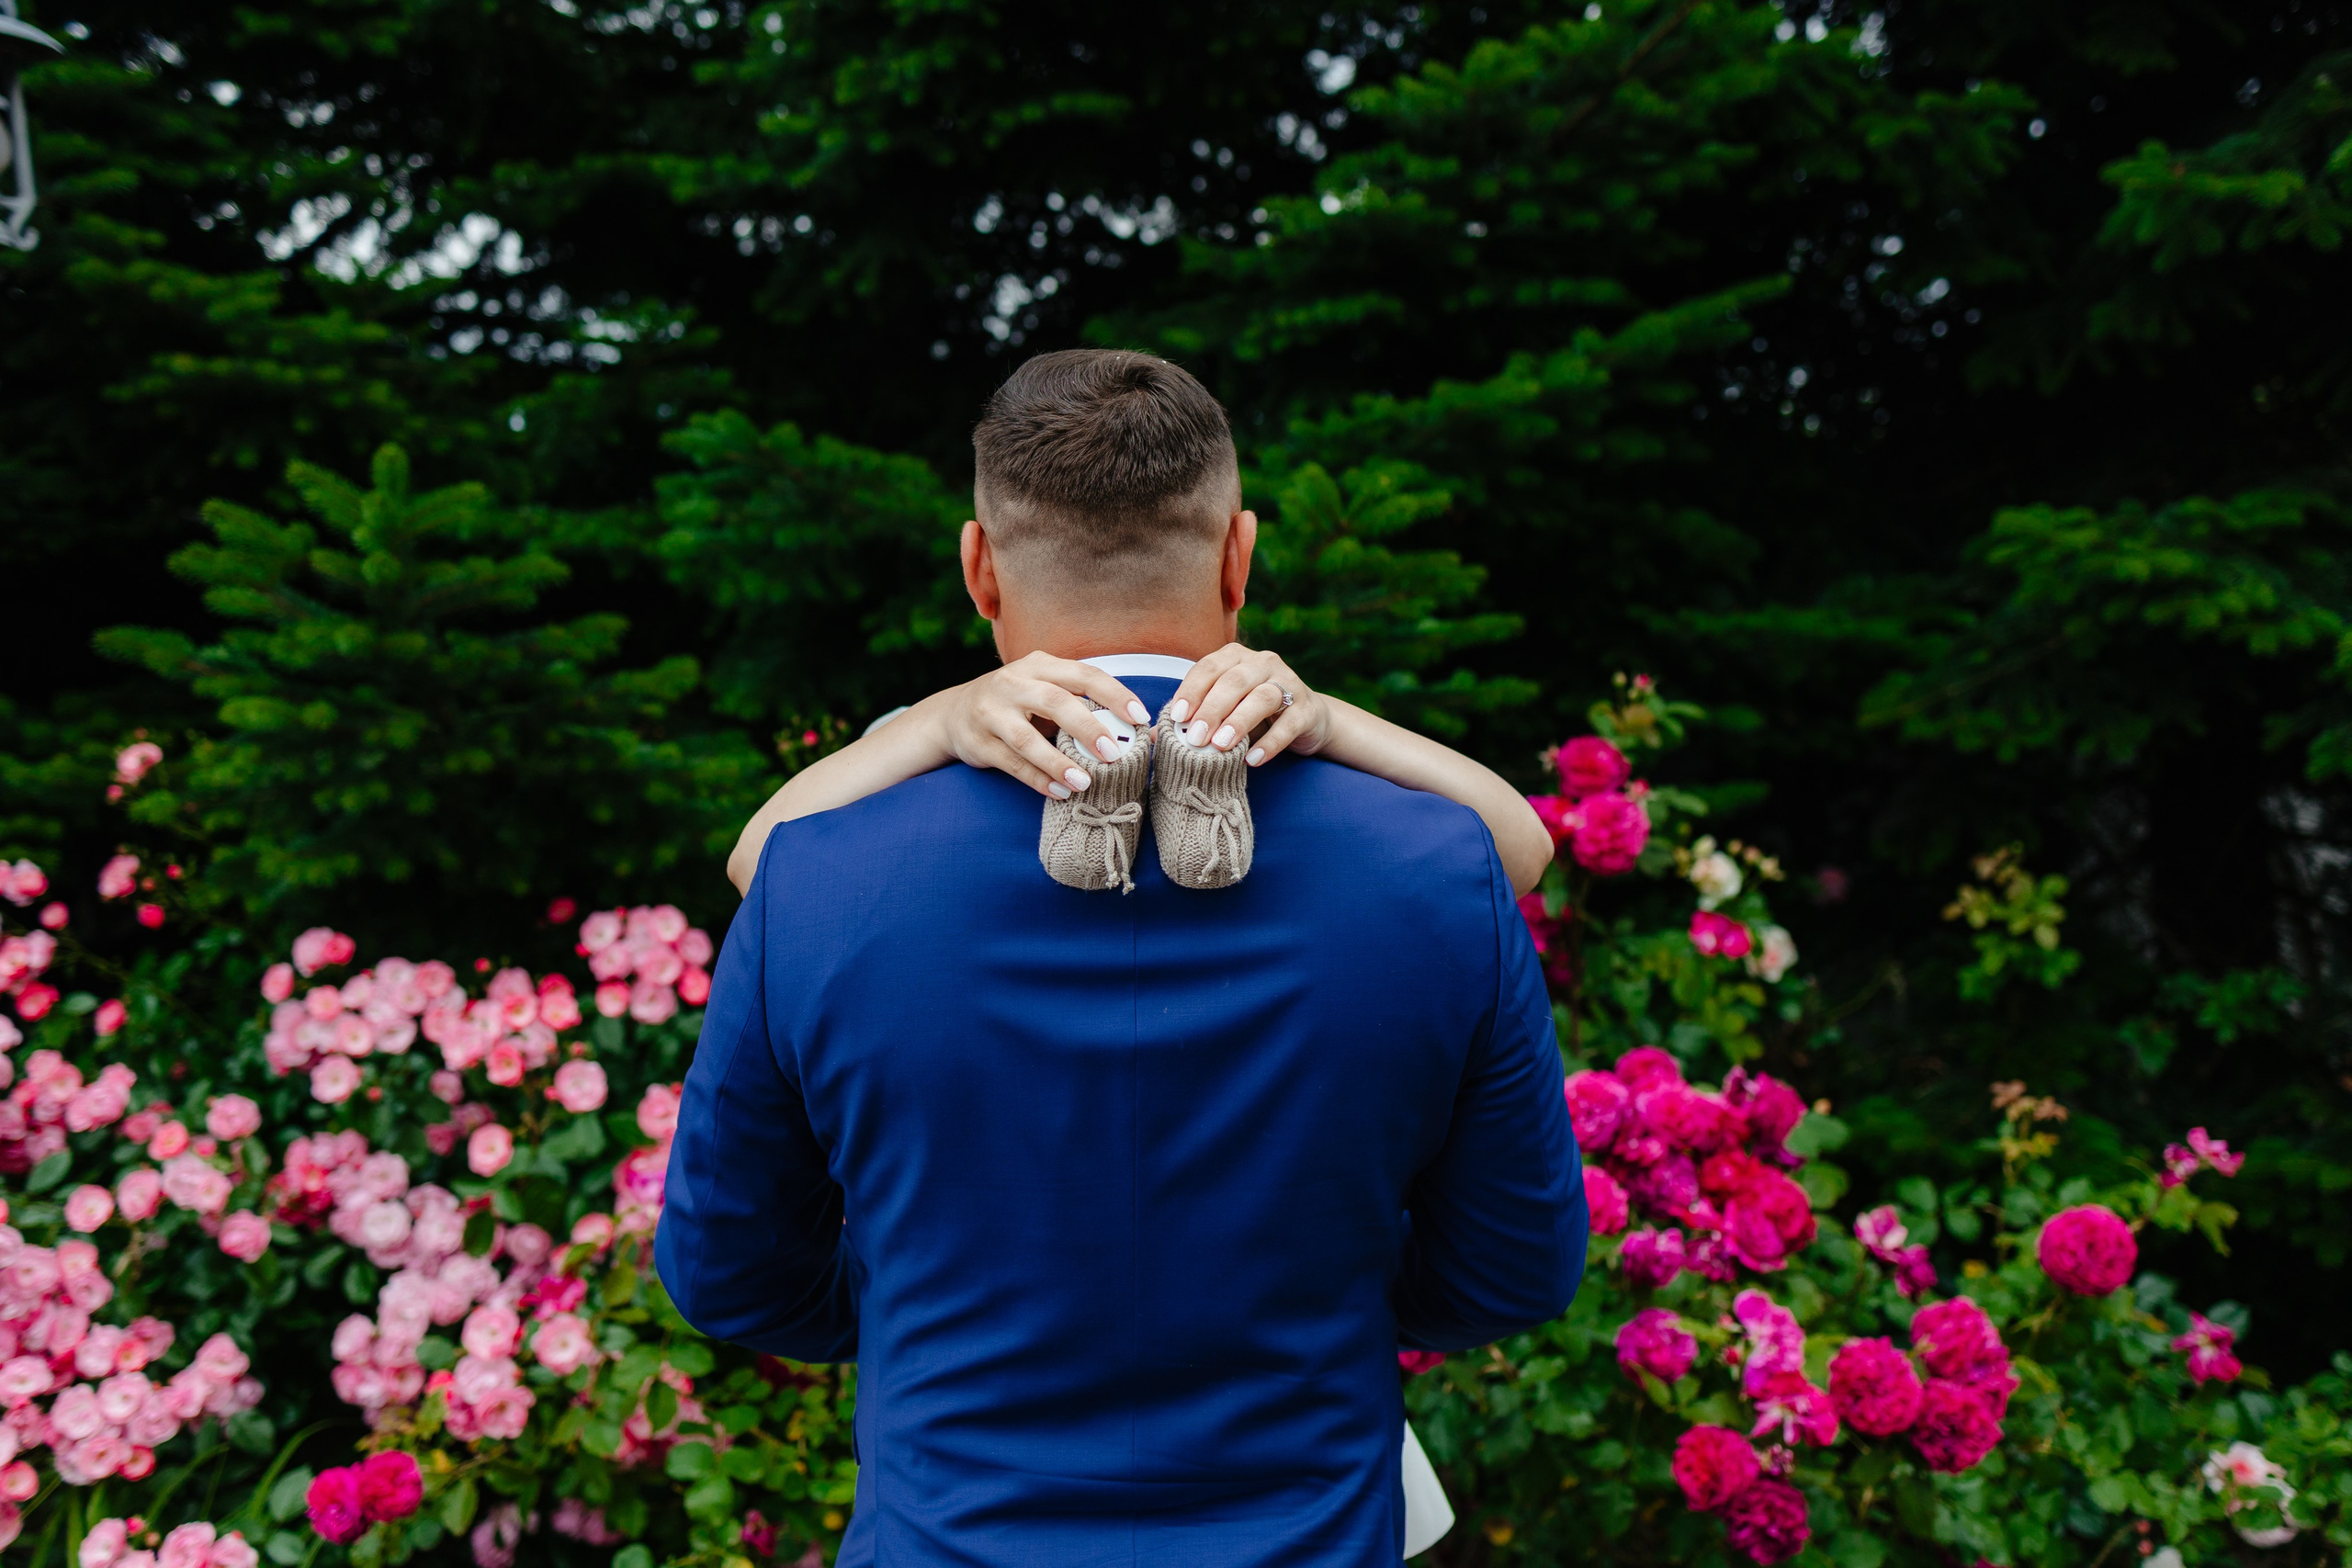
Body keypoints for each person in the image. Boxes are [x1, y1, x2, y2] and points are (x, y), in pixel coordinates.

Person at [657, 349, 1588, 1568]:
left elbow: (730, 1270)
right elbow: (1511, 1270)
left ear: (980, 567)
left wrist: (918, 1303)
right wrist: (1317, 1297)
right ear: (1239, 556)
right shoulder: (1434, 869)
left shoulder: (819, 876)